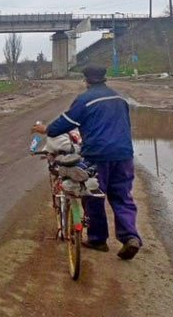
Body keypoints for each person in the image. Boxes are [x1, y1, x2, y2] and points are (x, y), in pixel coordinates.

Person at [32, 64, 142, 260]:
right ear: (104, 78)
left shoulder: (85, 100)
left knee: (93, 194)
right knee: (122, 196)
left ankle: (98, 239)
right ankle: (130, 236)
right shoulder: (119, 99)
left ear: (86, 80)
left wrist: (46, 129)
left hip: (98, 155)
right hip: (124, 154)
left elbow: (66, 123)